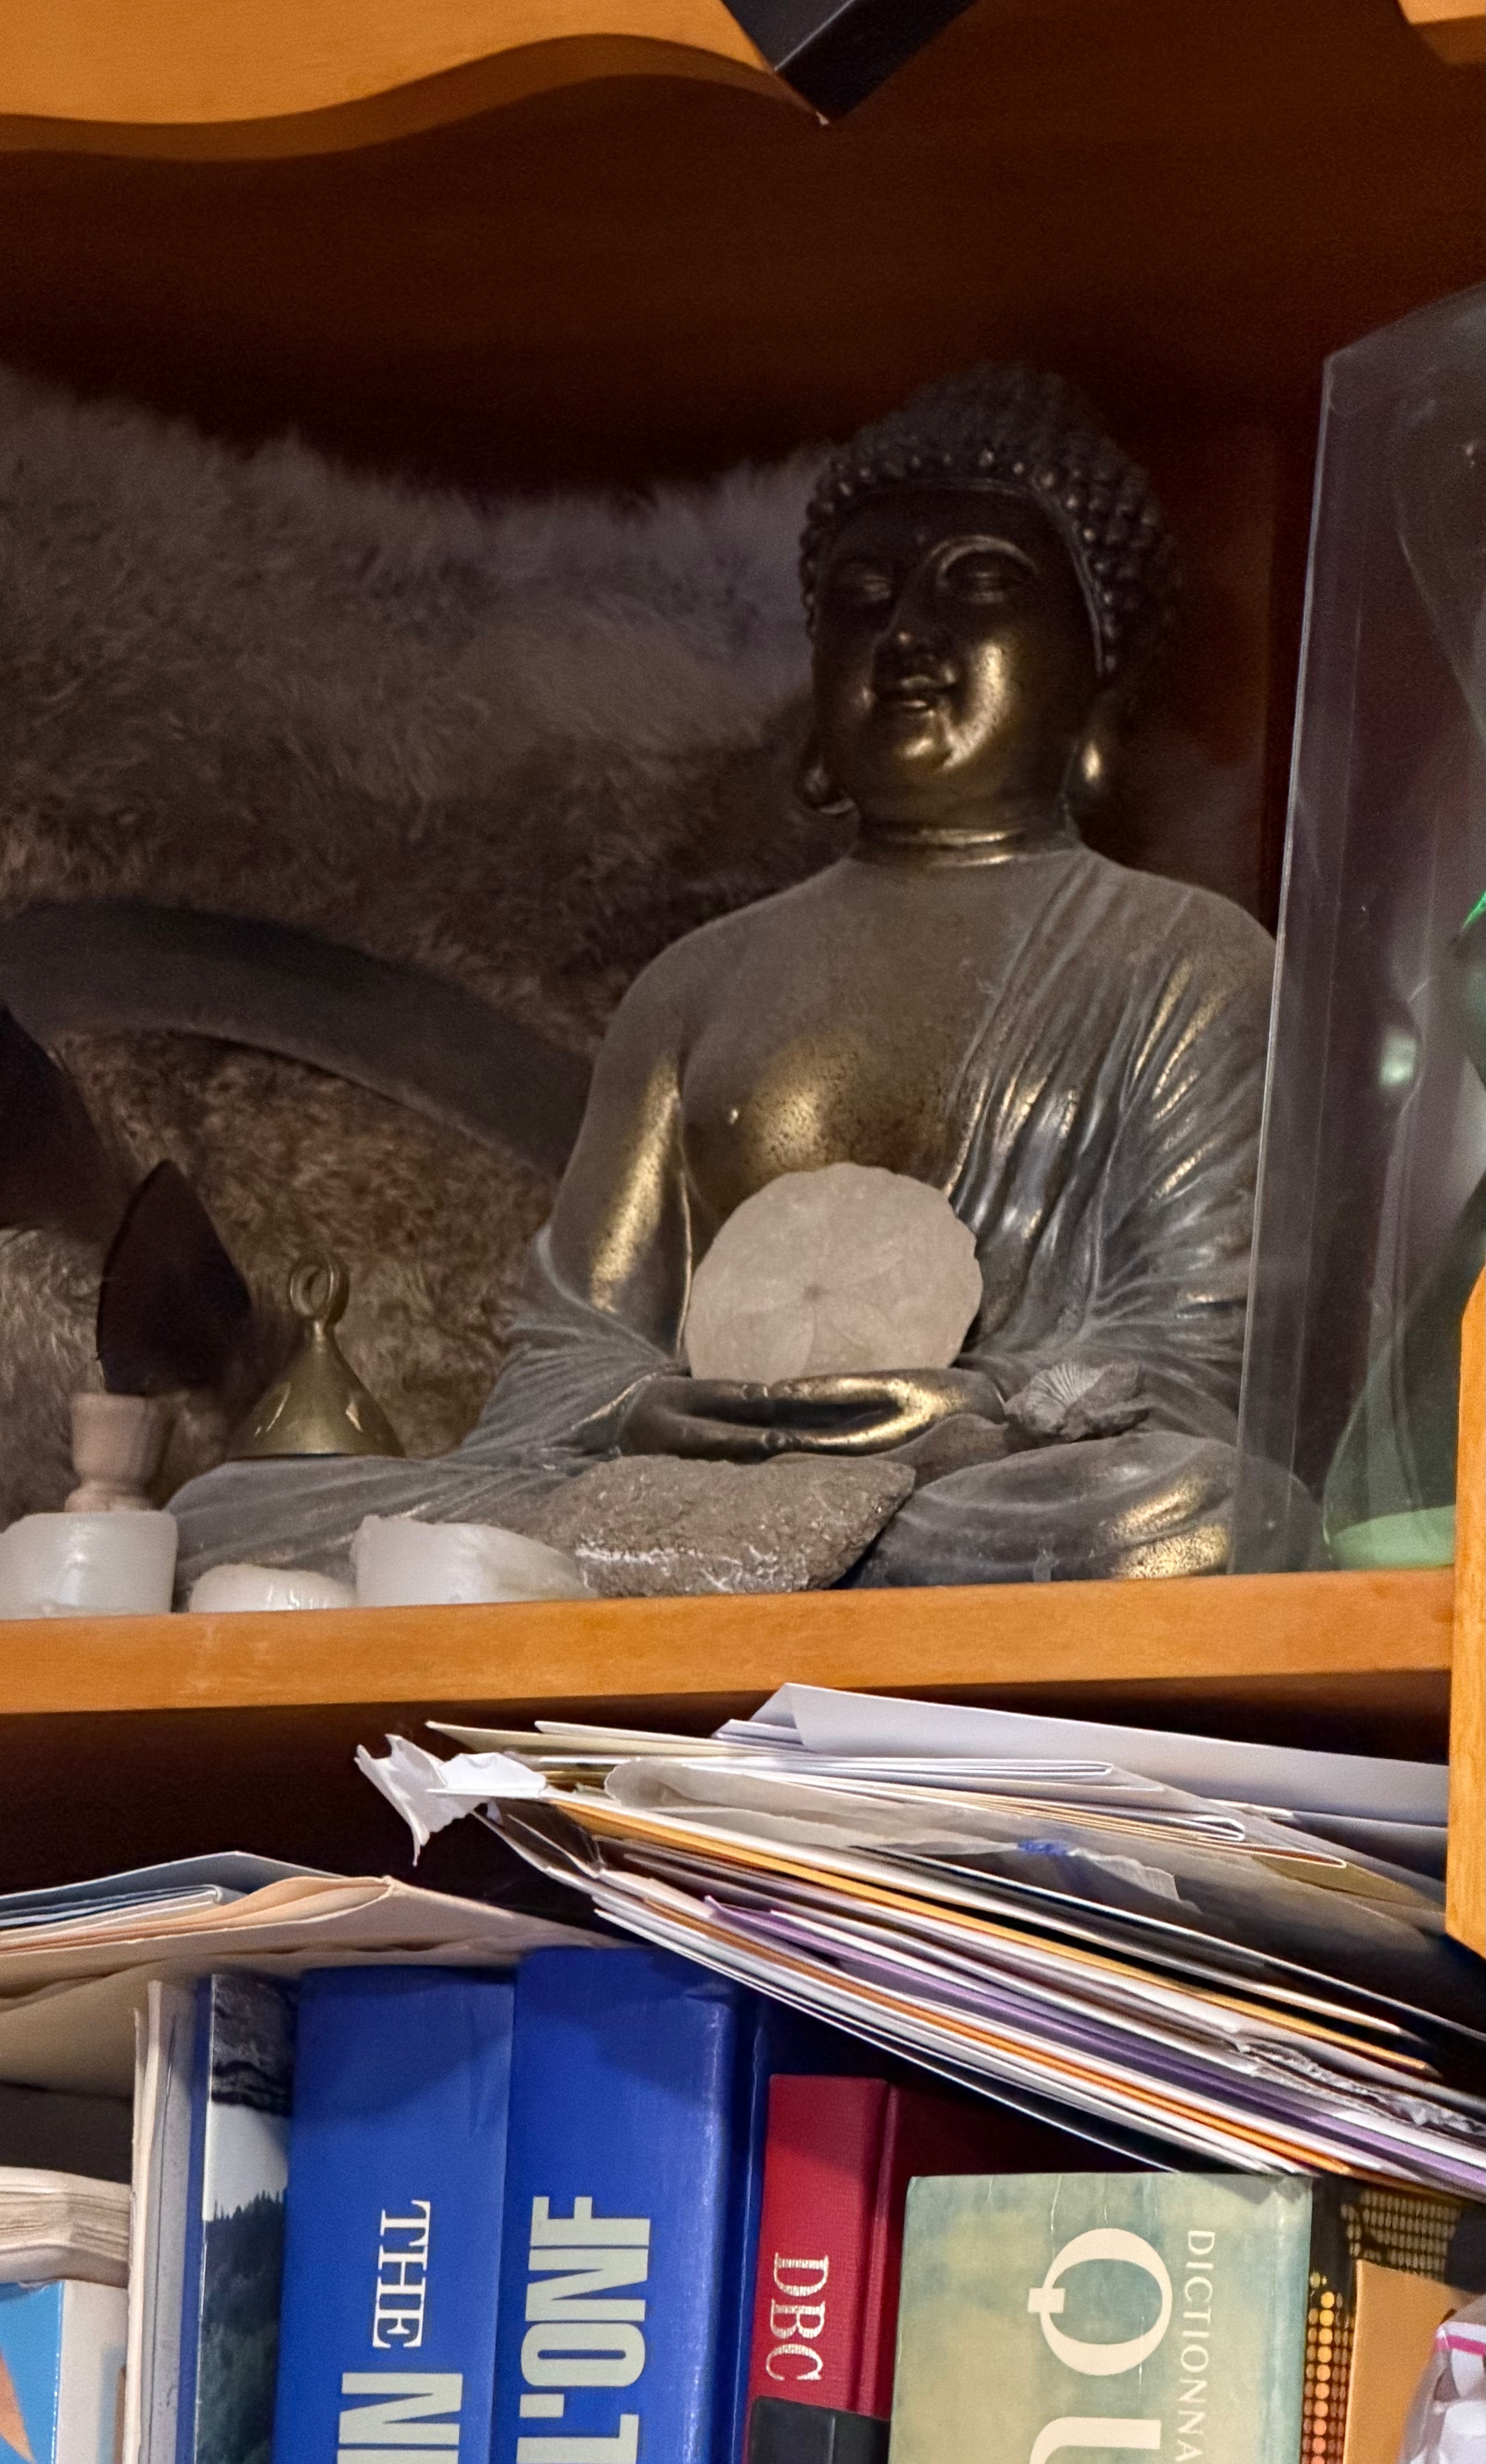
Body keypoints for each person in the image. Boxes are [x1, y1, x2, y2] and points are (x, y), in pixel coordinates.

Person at [176, 367, 1275, 1588]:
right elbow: (570, 1349)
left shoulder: (1185, 956)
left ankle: (689, 1567)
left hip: (979, 1482)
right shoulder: (697, 981)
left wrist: (966, 1405)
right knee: (226, 1513)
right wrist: (649, 1410)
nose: (907, 637)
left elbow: (1200, 1351)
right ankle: (719, 1557)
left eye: (979, 588)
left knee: (1193, 1510)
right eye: (862, 599)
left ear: (1099, 678)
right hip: (694, 1474)